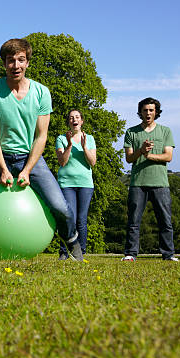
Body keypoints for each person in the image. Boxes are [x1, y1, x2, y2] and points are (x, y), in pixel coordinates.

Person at [0, 38, 81, 260]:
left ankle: (72, 243)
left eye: (21, 60)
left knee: (61, 206)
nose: (16, 65)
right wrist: (3, 169)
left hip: (30, 157)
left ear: (27, 62)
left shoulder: (41, 92)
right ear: (4, 63)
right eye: (11, 61)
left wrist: (27, 170)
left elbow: (41, 136)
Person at [122, 97, 177, 261]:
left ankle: (168, 255)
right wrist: (141, 150)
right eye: (145, 110)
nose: (148, 113)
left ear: (156, 112)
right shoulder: (131, 132)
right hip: (137, 183)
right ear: (140, 112)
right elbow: (129, 158)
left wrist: (149, 155)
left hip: (160, 183)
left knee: (165, 221)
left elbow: (168, 156)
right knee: (133, 222)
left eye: (151, 110)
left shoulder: (165, 131)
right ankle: (130, 254)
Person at [55, 110, 97, 260]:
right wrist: (70, 145)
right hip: (66, 183)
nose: (74, 119)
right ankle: (64, 252)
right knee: (68, 217)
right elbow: (62, 161)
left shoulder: (89, 138)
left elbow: (92, 162)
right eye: (71, 118)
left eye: (77, 117)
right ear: (69, 122)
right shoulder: (61, 138)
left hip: (85, 184)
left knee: (81, 219)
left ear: (82, 121)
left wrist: (85, 147)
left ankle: (81, 252)